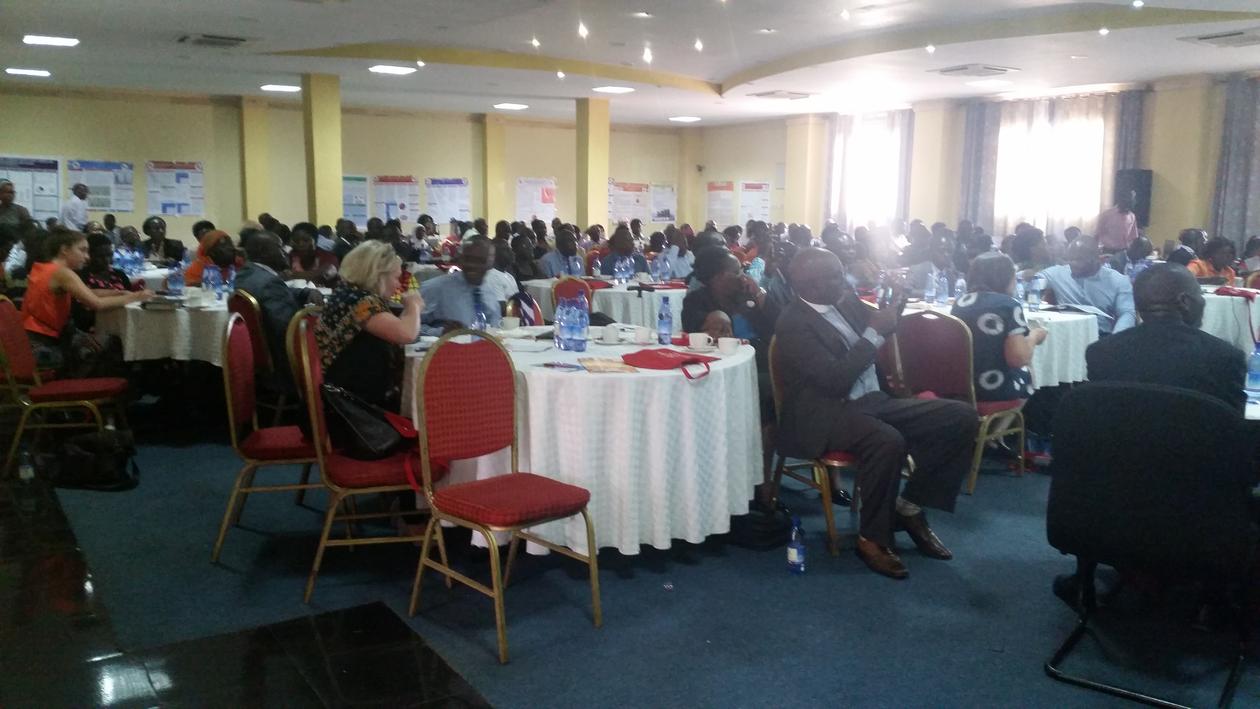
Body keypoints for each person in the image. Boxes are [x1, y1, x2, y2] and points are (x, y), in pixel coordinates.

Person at [774, 248, 979, 579]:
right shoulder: (793, 323)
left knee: (961, 417)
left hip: (872, 400)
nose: (844, 280)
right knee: (887, 440)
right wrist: (873, 333)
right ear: (808, 284)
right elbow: (835, 381)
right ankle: (871, 539)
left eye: (841, 272)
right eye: (834, 276)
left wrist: (896, 302)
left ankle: (909, 508)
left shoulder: (844, 301)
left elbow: (882, 328)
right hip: (825, 412)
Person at [1086, 262, 1244, 413]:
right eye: (1200, 294)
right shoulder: (1224, 357)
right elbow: (1232, 421)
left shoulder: (1100, 353)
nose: (1202, 301)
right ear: (1185, 301)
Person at [21, 229, 152, 370]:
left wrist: (118, 293)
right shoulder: (62, 273)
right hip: (44, 346)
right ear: (64, 250)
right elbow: (97, 304)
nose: (87, 257)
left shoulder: (45, 268)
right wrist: (136, 296)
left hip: (31, 339)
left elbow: (87, 292)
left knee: (107, 343)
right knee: (113, 345)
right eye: (82, 250)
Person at [315, 240, 421, 412]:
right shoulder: (362, 302)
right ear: (378, 276)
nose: (398, 285)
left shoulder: (346, 294)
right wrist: (414, 305)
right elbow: (406, 334)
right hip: (351, 405)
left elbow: (395, 330)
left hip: (337, 390)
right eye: (396, 277)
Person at [951, 253, 1047, 403]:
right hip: (996, 389)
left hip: (963, 386)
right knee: (1031, 371)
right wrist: (1034, 337)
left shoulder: (960, 303)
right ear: (1006, 278)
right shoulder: (1008, 305)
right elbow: (1019, 359)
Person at [237, 231, 323, 396]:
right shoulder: (269, 283)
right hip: (285, 363)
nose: (285, 252)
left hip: (259, 358)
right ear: (264, 252)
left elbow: (273, 293)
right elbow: (289, 328)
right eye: (280, 247)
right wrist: (315, 320)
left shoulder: (247, 273)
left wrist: (304, 292)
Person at [1038, 236, 1136, 334]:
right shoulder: (1058, 274)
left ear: (1096, 258)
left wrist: (1115, 338)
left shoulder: (1118, 281)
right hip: (1065, 333)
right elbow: (1034, 282)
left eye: (1079, 259)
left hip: (1099, 334)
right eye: (1070, 259)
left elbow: (1127, 313)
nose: (1072, 263)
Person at [419, 234, 502, 334]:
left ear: (491, 263)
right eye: (468, 259)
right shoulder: (435, 288)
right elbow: (410, 330)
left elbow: (495, 327)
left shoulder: (490, 291)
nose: (472, 264)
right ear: (460, 259)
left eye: (480, 260)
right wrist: (441, 332)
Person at [73, 233, 142, 331]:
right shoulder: (80, 276)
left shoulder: (119, 275)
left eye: (109, 255)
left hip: (123, 323)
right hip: (92, 325)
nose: (106, 260)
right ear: (89, 255)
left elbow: (131, 302)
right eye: (100, 256)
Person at [1095, 190, 1139, 254]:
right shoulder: (1107, 214)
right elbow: (1097, 233)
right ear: (1122, 199)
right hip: (1108, 251)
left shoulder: (1132, 216)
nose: (1134, 201)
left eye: (1134, 199)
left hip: (1124, 251)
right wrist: (1095, 251)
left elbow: (1133, 236)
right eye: (1131, 199)